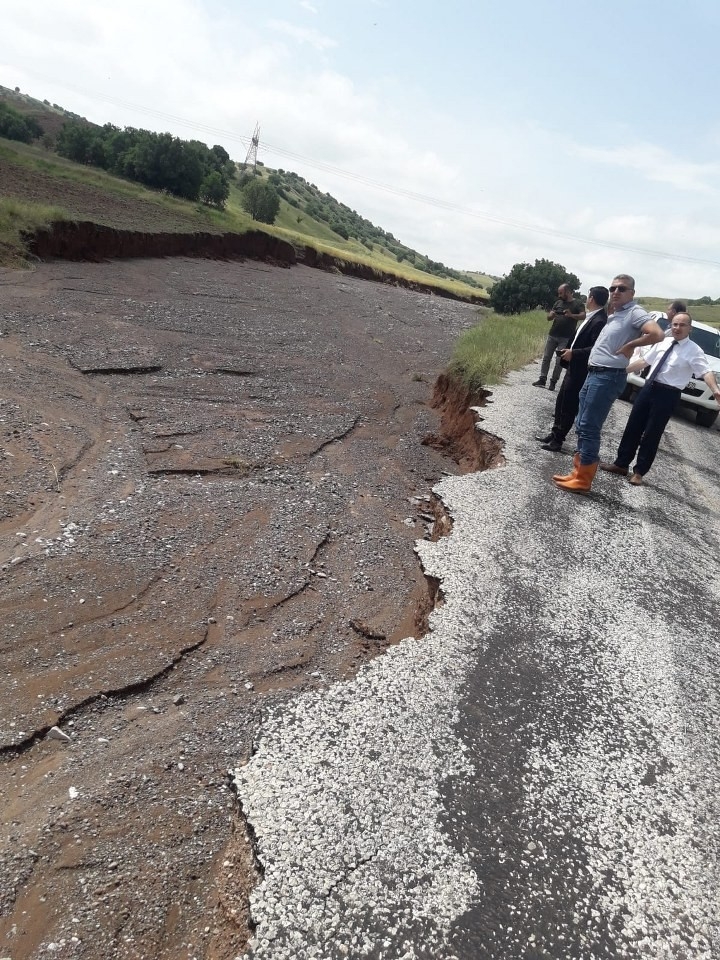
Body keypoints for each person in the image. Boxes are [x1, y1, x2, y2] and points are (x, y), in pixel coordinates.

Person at [553, 274, 664, 493]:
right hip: (594, 373)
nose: (615, 292)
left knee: (589, 426)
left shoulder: (634, 312)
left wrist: (631, 345)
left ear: (632, 293)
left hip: (608, 376)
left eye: (621, 289)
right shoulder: (616, 313)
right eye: (613, 288)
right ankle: (577, 472)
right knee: (581, 423)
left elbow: (657, 334)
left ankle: (584, 479)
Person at [599, 312, 720, 485]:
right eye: (675, 324)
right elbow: (644, 361)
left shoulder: (695, 351)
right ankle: (621, 464)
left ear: (690, 328)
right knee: (633, 426)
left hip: (668, 394)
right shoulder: (663, 342)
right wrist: (618, 371)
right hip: (649, 388)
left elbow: (706, 372)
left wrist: (715, 390)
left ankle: (639, 472)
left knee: (652, 433)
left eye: (682, 325)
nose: (677, 328)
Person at [535, 285, 609, 452]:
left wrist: (573, 353)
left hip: (581, 368)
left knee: (569, 405)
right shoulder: (591, 317)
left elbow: (595, 348)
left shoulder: (599, 321)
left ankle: (558, 440)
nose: (587, 299)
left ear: (592, 299)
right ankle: (554, 433)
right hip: (573, 366)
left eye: (588, 296)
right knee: (561, 401)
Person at [533, 283, 585, 390]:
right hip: (553, 334)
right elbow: (549, 317)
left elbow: (583, 315)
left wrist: (571, 315)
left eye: (561, 293)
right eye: (559, 293)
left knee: (559, 361)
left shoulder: (577, 303)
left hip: (566, 337)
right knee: (546, 357)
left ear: (568, 292)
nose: (559, 295)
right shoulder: (558, 302)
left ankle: (553, 381)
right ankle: (542, 379)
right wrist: (551, 316)